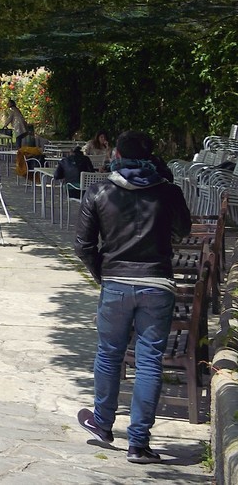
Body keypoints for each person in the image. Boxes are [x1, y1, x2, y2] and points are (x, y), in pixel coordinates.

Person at [75, 131, 192, 465]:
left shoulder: (99, 190)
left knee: (110, 354)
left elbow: (83, 246)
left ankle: (102, 422)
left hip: (116, 283)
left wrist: (104, 274)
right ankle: (138, 444)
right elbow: (183, 229)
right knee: (149, 361)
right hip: (158, 283)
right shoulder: (168, 191)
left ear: (116, 154)